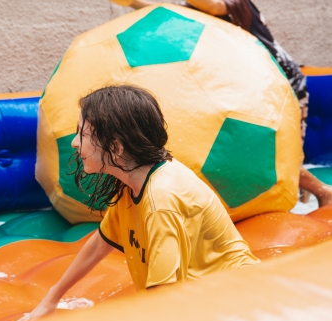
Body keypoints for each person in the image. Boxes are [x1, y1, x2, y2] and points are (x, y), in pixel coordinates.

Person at [11, 85, 259, 321]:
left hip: (239, 309)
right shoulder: (134, 183)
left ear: (116, 148)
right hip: (211, 306)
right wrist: (51, 299)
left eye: (82, 134)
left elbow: (163, 301)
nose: (75, 143)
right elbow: (99, 244)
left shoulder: (161, 200)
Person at [109, 0, 332, 207]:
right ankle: (307, 196)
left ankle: (320, 192)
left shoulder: (237, 3)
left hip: (280, 80)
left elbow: (215, 6)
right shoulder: (194, 8)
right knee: (267, 146)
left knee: (278, 146)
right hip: (248, 82)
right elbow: (165, 8)